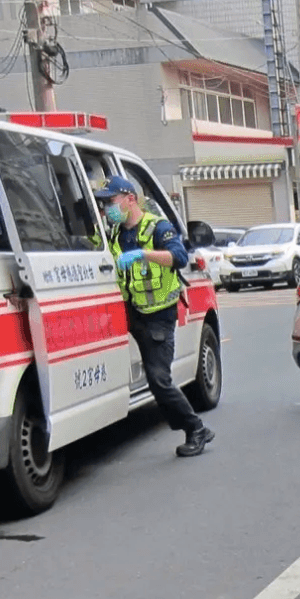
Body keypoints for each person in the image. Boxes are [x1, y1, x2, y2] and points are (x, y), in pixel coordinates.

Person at [94, 176, 216, 458]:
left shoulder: (156, 227)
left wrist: (142, 255)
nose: (107, 209)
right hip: (131, 311)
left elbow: (179, 257)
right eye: (104, 204)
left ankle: (196, 428)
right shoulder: (113, 233)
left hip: (159, 315)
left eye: (110, 202)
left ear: (130, 199)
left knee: (159, 380)